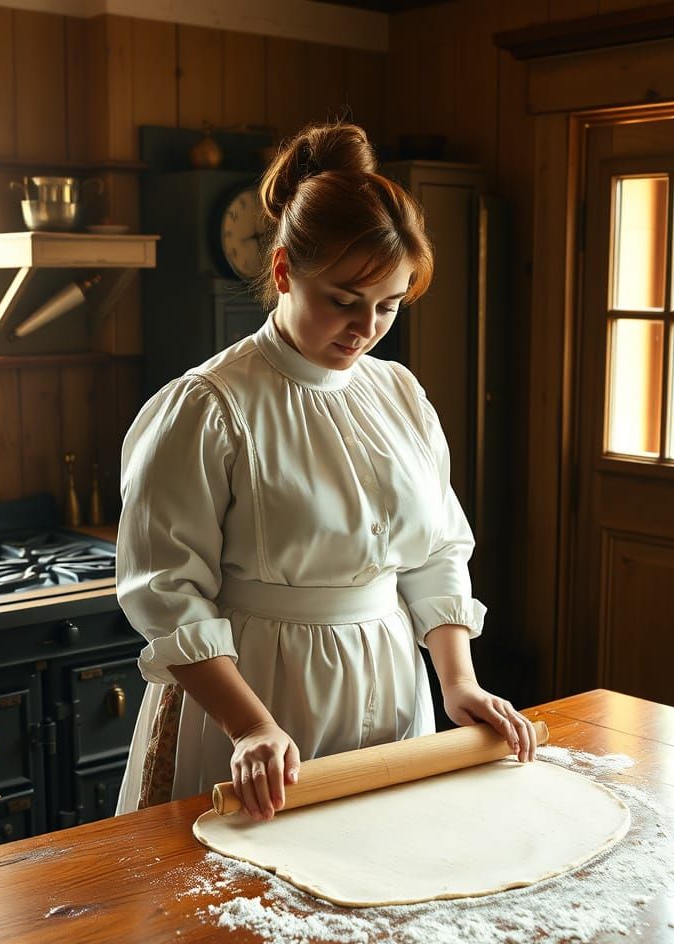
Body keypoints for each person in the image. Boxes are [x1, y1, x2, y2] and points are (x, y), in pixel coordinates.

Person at [115, 121, 536, 821]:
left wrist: (457, 680)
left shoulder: (399, 394)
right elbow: (167, 594)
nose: (365, 327)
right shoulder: (209, 406)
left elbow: (435, 552)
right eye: (343, 300)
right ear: (284, 273)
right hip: (261, 696)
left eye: (389, 306)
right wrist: (250, 726)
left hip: (394, 683)